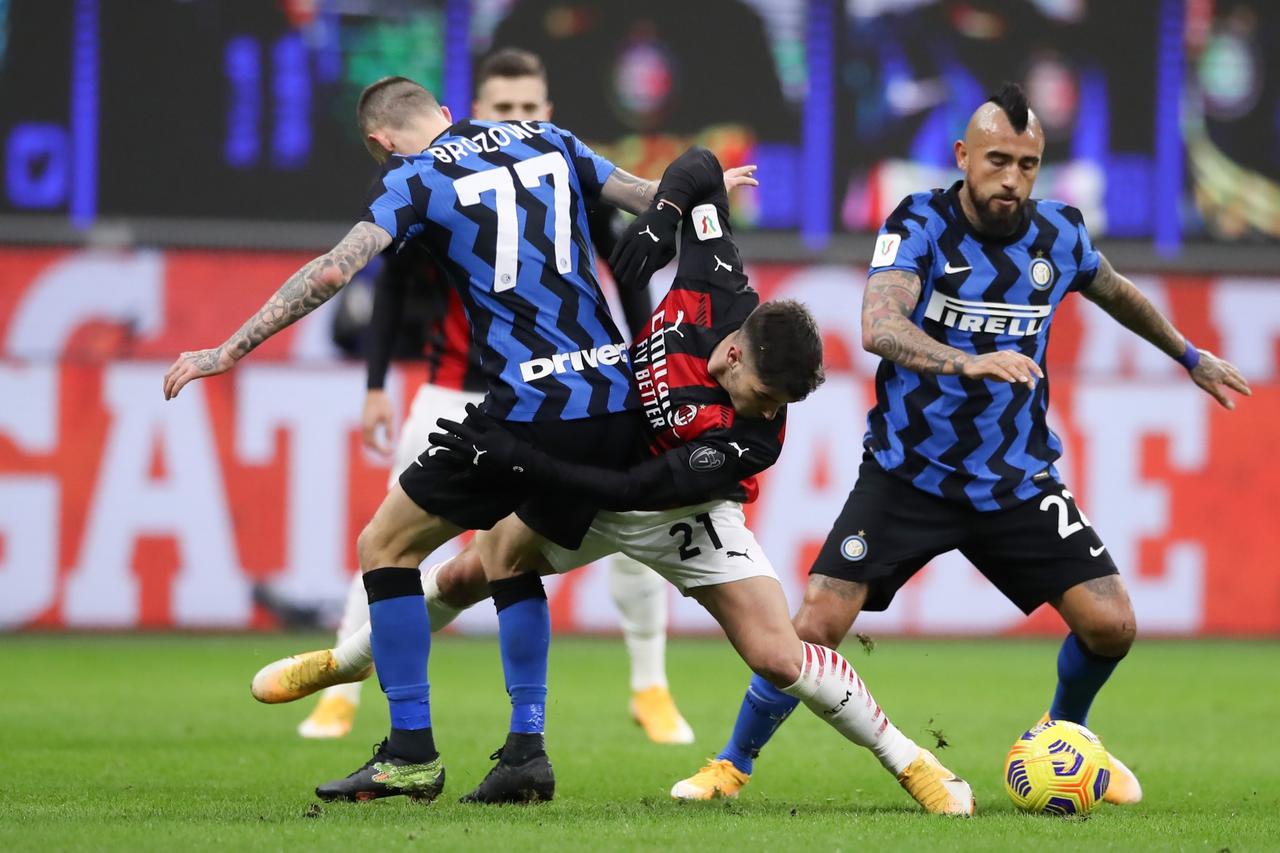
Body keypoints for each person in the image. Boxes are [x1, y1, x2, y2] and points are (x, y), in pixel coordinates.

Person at [251, 148, 975, 815]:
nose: (771, 411)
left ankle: (913, 763)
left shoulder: (748, 441)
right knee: (477, 568)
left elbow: (636, 493)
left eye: (784, 404)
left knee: (778, 655)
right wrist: (662, 220)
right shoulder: (716, 280)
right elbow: (696, 166)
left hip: (679, 510)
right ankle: (347, 662)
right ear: (731, 347)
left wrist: (520, 457)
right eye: (766, 391)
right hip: (605, 461)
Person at [668, 82, 1253, 804]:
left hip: (1015, 477)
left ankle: (1063, 736)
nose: (1011, 178)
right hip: (907, 472)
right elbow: (879, 325)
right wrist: (966, 359)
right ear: (963, 156)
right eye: (998, 159)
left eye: (1028, 164)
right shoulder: (920, 223)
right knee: (816, 621)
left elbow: (1114, 289)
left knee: (1113, 623)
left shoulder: (1059, 236)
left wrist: (1190, 355)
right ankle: (732, 764)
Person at [163, 77, 726, 805]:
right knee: (507, 552)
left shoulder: (414, 176)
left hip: (528, 403)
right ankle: (525, 752)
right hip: (615, 399)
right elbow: (654, 200)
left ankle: (410, 753)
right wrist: (710, 195)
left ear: (380, 141)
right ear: (448, 114)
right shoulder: (550, 141)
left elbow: (335, 269)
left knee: (385, 546)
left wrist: (228, 349)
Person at [299, 48, 694, 747]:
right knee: (398, 541)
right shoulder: (428, 176)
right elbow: (389, 285)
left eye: (527, 109)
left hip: (560, 392)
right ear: (467, 112)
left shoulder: (555, 168)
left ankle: (649, 685)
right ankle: (347, 684)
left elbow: (628, 272)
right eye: (502, 108)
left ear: (544, 112)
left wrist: (647, 369)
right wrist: (375, 384)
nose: (515, 118)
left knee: (584, 549)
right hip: (454, 389)